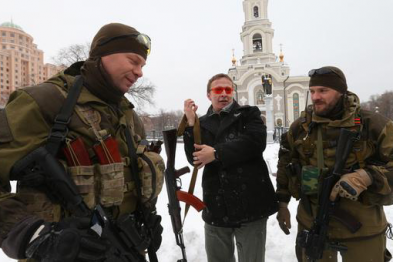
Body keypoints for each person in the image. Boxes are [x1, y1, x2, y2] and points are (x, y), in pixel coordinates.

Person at [0, 23, 163, 262]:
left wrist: (146, 218)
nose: (140, 72)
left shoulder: (128, 115)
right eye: (133, 61)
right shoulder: (45, 101)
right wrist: (33, 235)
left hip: (123, 251)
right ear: (103, 55)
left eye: (142, 65)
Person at [276, 66, 393, 261]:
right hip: (312, 223)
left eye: (323, 91)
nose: (315, 97)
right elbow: (286, 164)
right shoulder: (301, 128)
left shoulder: (372, 124)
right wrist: (282, 202)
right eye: (312, 91)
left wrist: (367, 176)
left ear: (341, 92)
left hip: (361, 227)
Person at [182, 73, 278, 262]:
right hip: (217, 206)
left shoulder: (249, 114)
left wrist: (216, 153)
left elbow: (255, 143)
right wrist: (191, 123)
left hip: (251, 204)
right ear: (209, 95)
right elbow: (194, 158)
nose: (223, 94)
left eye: (228, 89)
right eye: (218, 90)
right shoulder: (202, 123)